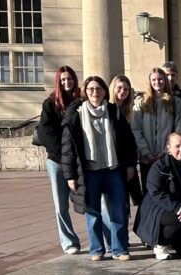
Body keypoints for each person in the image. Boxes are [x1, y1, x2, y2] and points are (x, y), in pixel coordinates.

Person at [61, 75, 138, 261]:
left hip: (113, 170)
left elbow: (129, 142)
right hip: (89, 172)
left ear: (104, 91)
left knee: (118, 209)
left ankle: (119, 249)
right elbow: (68, 147)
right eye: (91, 89)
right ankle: (97, 249)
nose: (95, 92)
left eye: (99, 89)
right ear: (85, 92)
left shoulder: (114, 112)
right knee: (92, 211)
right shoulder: (76, 115)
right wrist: (70, 175)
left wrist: (130, 166)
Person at [134, 132, 181, 260]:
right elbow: (156, 192)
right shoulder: (159, 166)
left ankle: (175, 243)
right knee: (176, 220)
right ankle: (160, 243)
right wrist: (179, 208)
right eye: (177, 146)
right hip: (159, 208)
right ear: (169, 148)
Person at [38, 65, 82, 255]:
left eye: (69, 78)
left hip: (80, 161)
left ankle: (100, 238)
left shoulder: (82, 100)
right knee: (61, 204)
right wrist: (63, 155)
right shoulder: (50, 103)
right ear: (58, 81)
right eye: (63, 79)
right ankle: (69, 242)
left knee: (89, 200)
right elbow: (45, 132)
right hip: (56, 161)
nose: (66, 82)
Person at [132, 68, 181, 190]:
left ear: (165, 80)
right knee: (149, 191)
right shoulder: (142, 102)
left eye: (160, 79)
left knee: (168, 189)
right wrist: (146, 152)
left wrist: (166, 150)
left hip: (167, 156)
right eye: (154, 79)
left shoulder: (175, 102)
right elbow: (136, 129)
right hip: (147, 157)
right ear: (149, 81)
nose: (157, 82)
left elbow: (178, 128)